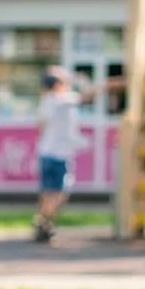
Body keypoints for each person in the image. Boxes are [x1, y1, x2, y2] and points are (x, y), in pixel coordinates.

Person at [32, 67, 97, 243]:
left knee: (47, 192)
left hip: (45, 151)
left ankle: (41, 220)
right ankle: (46, 223)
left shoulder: (45, 102)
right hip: (60, 154)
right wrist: (80, 79)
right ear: (58, 85)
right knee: (60, 192)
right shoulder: (63, 100)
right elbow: (88, 95)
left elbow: (40, 126)